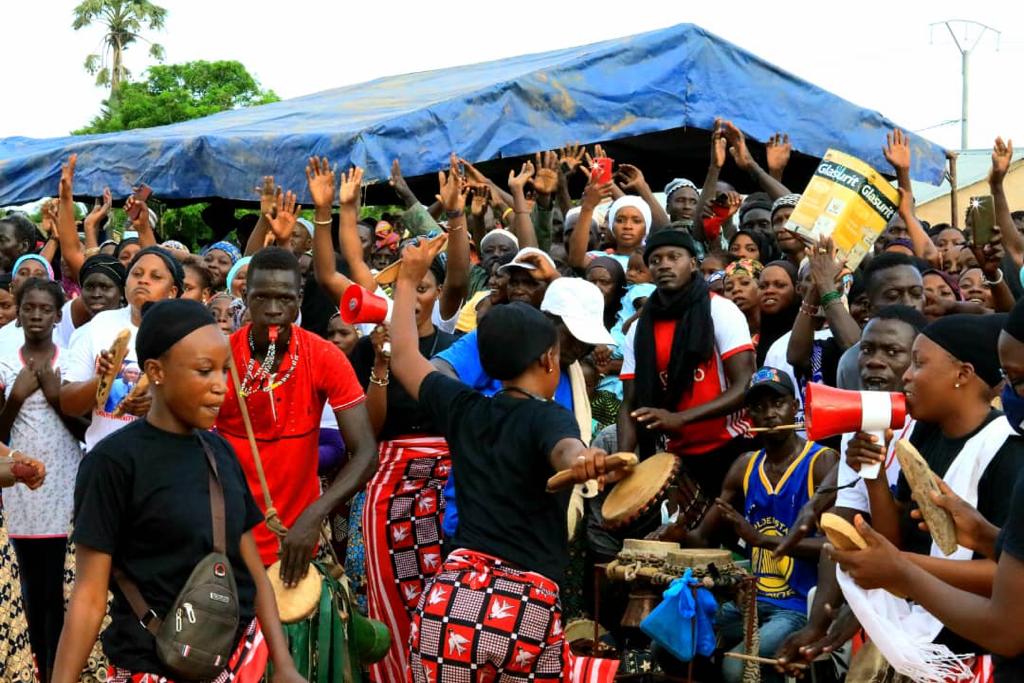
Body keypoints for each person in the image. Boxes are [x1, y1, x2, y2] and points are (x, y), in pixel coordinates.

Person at [388, 236, 614, 683]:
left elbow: (405, 358)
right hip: (519, 612)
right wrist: (584, 457)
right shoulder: (550, 418)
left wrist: (407, 280)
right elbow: (565, 451)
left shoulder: (463, 408)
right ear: (550, 357)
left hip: (449, 603)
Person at [52, 299, 305, 683]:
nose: (220, 387)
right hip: (149, 666)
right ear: (156, 371)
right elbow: (89, 597)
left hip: (235, 665)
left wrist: (284, 666)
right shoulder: (113, 463)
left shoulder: (219, 452)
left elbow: (253, 572)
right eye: (205, 372)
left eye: (225, 371)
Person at [831, 300, 1024, 681]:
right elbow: (898, 538)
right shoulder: (925, 434)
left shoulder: (1008, 450)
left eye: (919, 363)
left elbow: (1002, 578)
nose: (906, 376)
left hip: (968, 652)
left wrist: (901, 569)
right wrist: (872, 473)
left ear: (962, 374)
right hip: (924, 634)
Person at [348, 184, 464, 681]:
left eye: (421, 288)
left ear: (436, 294)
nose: (412, 298)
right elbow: (370, 433)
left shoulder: (455, 344)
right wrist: (378, 364)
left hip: (450, 485)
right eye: (401, 288)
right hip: (389, 482)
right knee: (391, 596)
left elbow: (459, 270)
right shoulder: (365, 348)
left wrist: (455, 214)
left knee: (445, 600)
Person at [775, 305, 928, 673]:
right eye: (867, 349)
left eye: (892, 352)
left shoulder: (931, 428)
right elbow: (843, 528)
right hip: (885, 586)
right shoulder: (862, 422)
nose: (874, 361)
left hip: (925, 597)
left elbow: (915, 541)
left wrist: (864, 610)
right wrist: (819, 621)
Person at [657, 368, 837, 683]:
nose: (769, 413)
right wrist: (679, 534)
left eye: (777, 403)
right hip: (749, 602)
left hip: (797, 607)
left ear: (794, 406)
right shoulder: (744, 466)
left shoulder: (822, 463)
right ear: (749, 415)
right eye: (758, 407)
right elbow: (701, 539)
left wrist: (760, 540)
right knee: (668, 642)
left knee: (735, 667)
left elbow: (833, 550)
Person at [214, 247, 378, 585]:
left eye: (285, 299)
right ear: (243, 295)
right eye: (261, 298)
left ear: (300, 298)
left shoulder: (324, 357)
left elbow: (366, 453)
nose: (274, 310)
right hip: (228, 540)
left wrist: (313, 516)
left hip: (297, 542)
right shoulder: (219, 357)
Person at [619, 229, 756, 498]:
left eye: (674, 257)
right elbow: (630, 405)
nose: (665, 264)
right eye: (656, 260)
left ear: (692, 263)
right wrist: (623, 458)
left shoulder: (721, 310)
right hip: (675, 456)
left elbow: (746, 385)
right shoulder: (639, 329)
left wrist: (680, 418)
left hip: (732, 446)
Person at [0, 279, 79, 682]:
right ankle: (27, 670)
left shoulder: (71, 359)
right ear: (17, 312)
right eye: (28, 308)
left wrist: (54, 394)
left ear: (57, 315)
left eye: (44, 310)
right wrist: (16, 397)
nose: (35, 316)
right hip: (19, 493)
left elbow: (85, 430)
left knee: (58, 590)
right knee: (26, 585)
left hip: (63, 488)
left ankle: (55, 670)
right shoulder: (5, 364)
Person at [60, 246, 185, 451]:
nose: (143, 280)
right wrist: (102, 379)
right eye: (136, 274)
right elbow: (68, 405)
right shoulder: (99, 325)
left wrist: (156, 405)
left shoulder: (185, 335)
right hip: (105, 461)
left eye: (155, 277)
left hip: (162, 462)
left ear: (172, 291)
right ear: (125, 284)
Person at [722, 258, 763, 341]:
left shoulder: (782, 329)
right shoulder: (725, 336)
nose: (736, 290)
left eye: (745, 283)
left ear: (761, 286)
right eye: (729, 288)